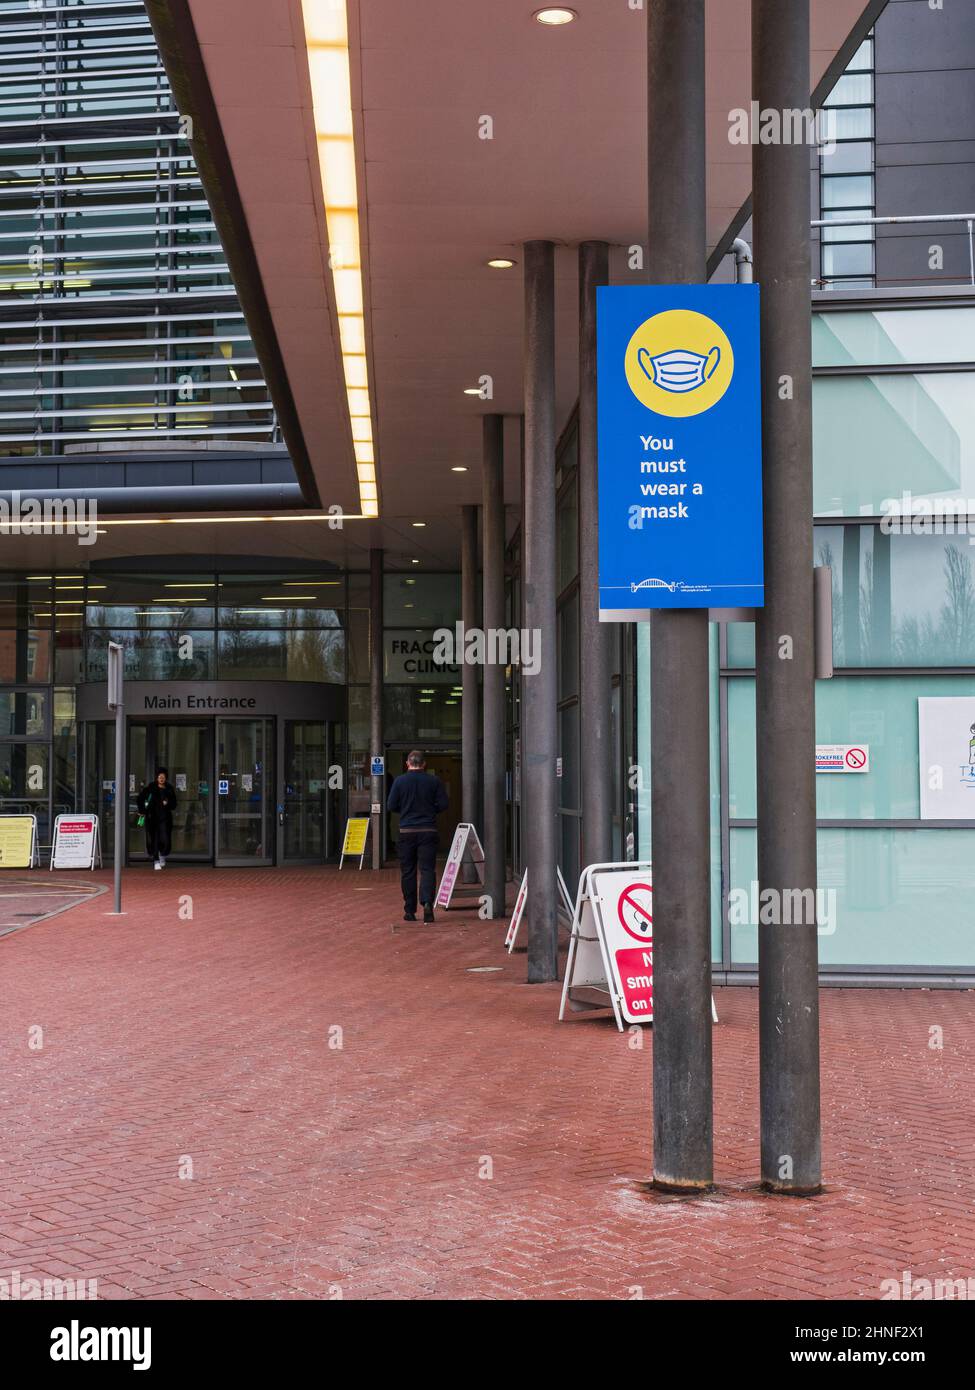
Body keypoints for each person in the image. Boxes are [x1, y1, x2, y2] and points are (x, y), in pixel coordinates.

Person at [386, 749, 448, 923]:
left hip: (407, 831)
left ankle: (409, 910)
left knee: (408, 871)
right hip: (428, 830)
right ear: (424, 764)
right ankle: (427, 902)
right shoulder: (433, 781)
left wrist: (405, 811)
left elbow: (391, 805)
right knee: (427, 869)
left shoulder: (399, 781)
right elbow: (444, 804)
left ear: (407, 763)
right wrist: (430, 811)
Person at [137, 767, 178, 870]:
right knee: (154, 839)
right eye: (160, 777)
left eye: (163, 777)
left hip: (165, 819)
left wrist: (167, 803)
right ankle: (156, 861)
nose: (161, 778)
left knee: (165, 839)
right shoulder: (150, 788)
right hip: (152, 818)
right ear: (157, 778)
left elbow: (174, 804)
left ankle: (162, 855)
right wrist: (143, 810)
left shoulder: (169, 788)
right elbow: (140, 798)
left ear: (166, 778)